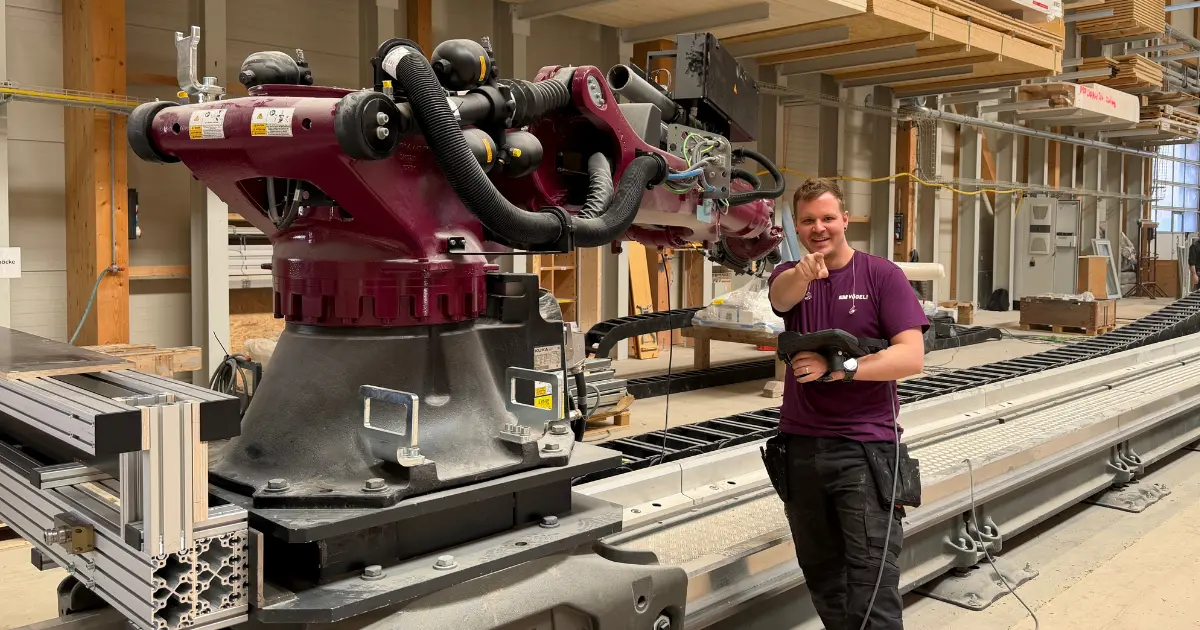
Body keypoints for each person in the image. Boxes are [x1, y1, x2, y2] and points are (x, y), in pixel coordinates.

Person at [766, 178, 929, 630]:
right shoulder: (788, 278)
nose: (819, 228)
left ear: (845, 220)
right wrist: (803, 273)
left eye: (828, 218)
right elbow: (781, 298)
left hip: (862, 449)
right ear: (796, 227)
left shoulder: (881, 276)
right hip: (800, 449)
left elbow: (911, 356)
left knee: (871, 582)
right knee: (823, 578)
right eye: (808, 221)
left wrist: (843, 368)